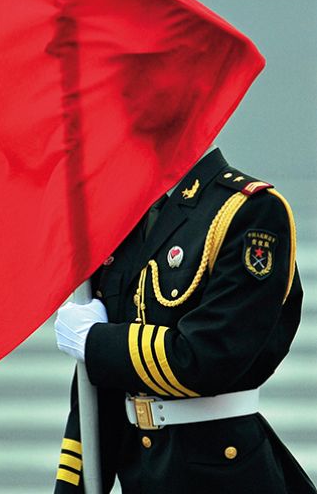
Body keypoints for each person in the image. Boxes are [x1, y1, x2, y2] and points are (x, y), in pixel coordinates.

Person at [52, 146, 316, 493]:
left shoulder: (250, 211)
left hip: (222, 475)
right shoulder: (126, 218)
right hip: (142, 473)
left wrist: (96, 342)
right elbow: (102, 385)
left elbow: (207, 359)